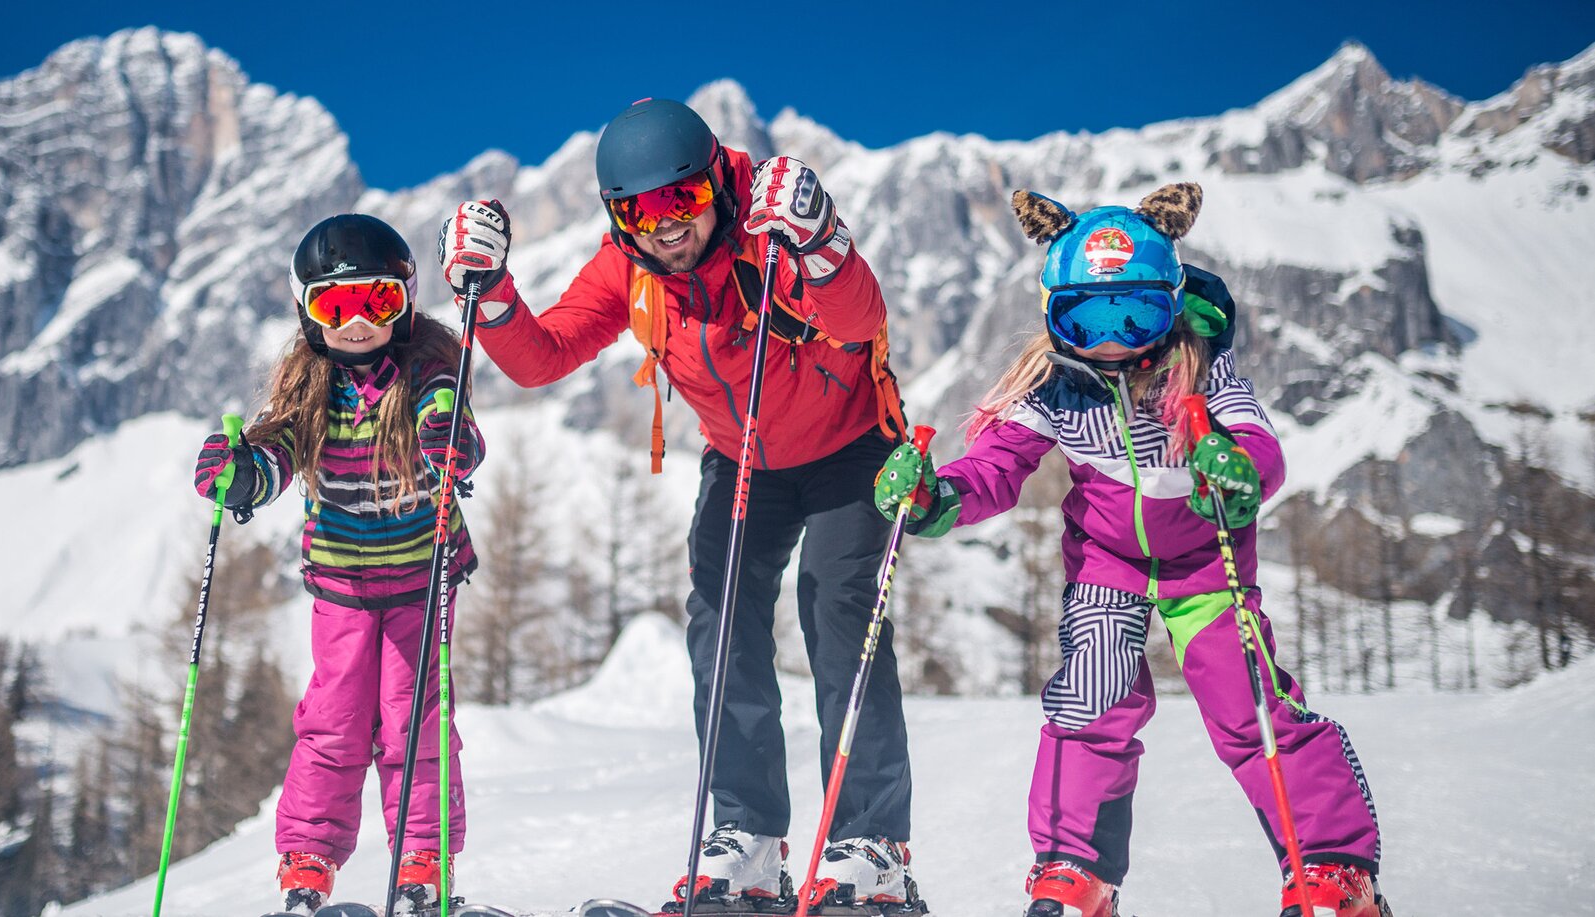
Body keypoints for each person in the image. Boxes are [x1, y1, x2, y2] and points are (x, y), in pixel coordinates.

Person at [439, 98, 919, 905]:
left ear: (712, 187)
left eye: (681, 202)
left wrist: (821, 239)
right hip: (742, 460)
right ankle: (749, 839)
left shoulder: (769, 227)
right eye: (640, 212)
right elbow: (542, 356)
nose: (664, 227)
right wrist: (489, 293)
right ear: (617, 216)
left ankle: (871, 844)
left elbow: (860, 317)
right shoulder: (627, 268)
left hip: (847, 445)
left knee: (837, 609)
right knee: (719, 617)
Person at [875, 184, 1390, 917]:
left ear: (1169, 307)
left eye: (1134, 313)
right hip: (1106, 565)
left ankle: (1331, 871)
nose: (1112, 339)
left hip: (1206, 564)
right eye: (1084, 318)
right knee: (1091, 694)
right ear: (1055, 316)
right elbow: (995, 467)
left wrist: (1236, 469)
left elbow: (1254, 439)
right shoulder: (1055, 385)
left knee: (1247, 705)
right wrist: (937, 495)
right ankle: (1072, 871)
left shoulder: (1201, 368)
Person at [192, 214, 485, 913]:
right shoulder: (308, 387)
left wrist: (448, 439)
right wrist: (242, 475)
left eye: (375, 301)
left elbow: (453, 424)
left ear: (405, 303)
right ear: (307, 311)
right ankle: (309, 858)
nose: (356, 323)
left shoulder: (426, 373)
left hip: (419, 579)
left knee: (411, 717)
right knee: (333, 720)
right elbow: (277, 453)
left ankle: (422, 853)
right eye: (335, 304)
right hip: (342, 590)